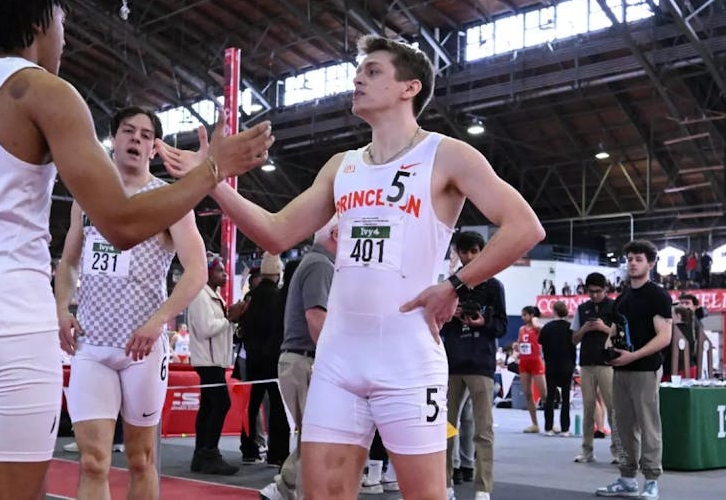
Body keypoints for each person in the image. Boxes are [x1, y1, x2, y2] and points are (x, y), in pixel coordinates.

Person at [0, 0, 273, 500]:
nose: (64, 40)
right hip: (6, 326)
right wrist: (213, 168)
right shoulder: (40, 91)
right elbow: (121, 223)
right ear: (36, 25)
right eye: (62, 26)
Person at [159, 34, 544, 500]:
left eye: (374, 70)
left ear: (410, 88)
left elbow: (524, 227)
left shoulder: (446, 155)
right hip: (338, 360)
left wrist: (455, 285)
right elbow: (278, 233)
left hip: (407, 359)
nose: (358, 78)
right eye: (359, 70)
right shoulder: (342, 166)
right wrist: (211, 179)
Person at [54, 105, 209, 499]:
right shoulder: (88, 197)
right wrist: (61, 309)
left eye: (145, 134)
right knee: (92, 461)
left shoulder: (169, 200)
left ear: (154, 149)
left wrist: (160, 320)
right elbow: (69, 261)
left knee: (140, 458)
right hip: (91, 345)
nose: (136, 139)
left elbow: (197, 271)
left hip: (142, 348)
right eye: (128, 131)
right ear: (114, 139)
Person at [260, 220, 337, 500]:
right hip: (306, 360)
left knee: (312, 437)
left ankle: (282, 488)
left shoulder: (314, 263)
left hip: (299, 360)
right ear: (338, 235)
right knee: (317, 440)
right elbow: (316, 319)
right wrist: (336, 360)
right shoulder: (320, 265)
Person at [595, 240, 672, 500]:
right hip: (621, 370)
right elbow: (615, 329)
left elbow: (665, 336)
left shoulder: (658, 295)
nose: (632, 263)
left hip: (645, 369)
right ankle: (627, 478)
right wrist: (609, 349)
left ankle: (651, 480)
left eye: (638, 259)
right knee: (622, 426)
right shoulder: (623, 297)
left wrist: (633, 356)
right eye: (629, 259)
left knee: (649, 425)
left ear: (650, 264)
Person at [441, 231, 507, 500]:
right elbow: (437, 322)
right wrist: (451, 313)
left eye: (474, 252)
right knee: (445, 429)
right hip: (452, 363)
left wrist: (483, 322)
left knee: (484, 429)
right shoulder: (450, 284)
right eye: (464, 252)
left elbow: (501, 325)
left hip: (481, 363)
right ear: (457, 252)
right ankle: (443, 484)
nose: (469, 257)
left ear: (482, 251)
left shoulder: (494, 286)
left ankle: (483, 487)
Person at [188, 255, 246, 474]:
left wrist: (233, 320)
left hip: (215, 360)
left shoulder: (214, 296)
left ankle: (200, 454)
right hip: (208, 361)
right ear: (208, 273)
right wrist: (230, 318)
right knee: (221, 404)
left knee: (208, 407)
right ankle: (209, 453)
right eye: (220, 271)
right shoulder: (200, 296)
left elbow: (217, 328)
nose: (224, 274)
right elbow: (206, 328)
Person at [237, 252, 289, 466]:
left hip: (251, 359)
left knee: (250, 405)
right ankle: (277, 453)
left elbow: (243, 327)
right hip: (273, 359)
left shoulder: (250, 297)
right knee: (277, 407)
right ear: (278, 274)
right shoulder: (279, 297)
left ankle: (249, 448)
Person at [572, 272, 622, 464]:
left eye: (598, 291)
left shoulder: (614, 306)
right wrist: (584, 329)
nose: (594, 295)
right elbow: (573, 338)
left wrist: (603, 328)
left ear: (605, 289)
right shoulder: (582, 308)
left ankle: (617, 451)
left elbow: (620, 334)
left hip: (607, 364)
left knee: (612, 408)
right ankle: (587, 450)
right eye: (591, 291)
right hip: (586, 363)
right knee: (588, 408)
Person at [539, 301, 575, 436]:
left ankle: (548, 428)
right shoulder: (571, 327)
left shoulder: (547, 327)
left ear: (554, 311)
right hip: (567, 364)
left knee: (550, 397)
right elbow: (574, 345)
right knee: (566, 397)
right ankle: (565, 429)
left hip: (551, 364)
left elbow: (542, 346)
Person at [517, 306, 548, 433]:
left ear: (531, 315)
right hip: (524, 363)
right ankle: (534, 423)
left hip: (536, 362)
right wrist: (516, 347)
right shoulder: (521, 329)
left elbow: (542, 329)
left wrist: (535, 321)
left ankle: (550, 422)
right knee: (528, 394)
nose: (522, 318)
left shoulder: (537, 328)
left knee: (544, 394)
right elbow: (520, 343)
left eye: (525, 315)